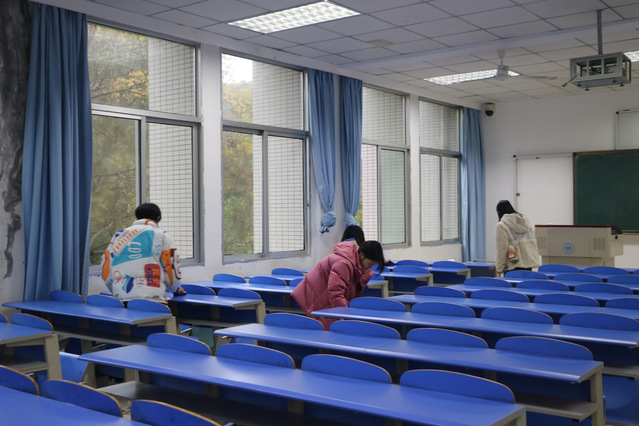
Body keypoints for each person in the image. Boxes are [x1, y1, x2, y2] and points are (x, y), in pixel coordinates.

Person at [291, 240, 385, 330]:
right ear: (361, 254)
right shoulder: (343, 263)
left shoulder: (352, 260)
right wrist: (346, 315)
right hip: (314, 296)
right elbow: (335, 292)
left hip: (320, 294)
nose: (370, 267)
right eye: (370, 264)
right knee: (329, 330)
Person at [101, 203, 185, 302]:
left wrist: (115, 290)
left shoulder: (119, 236)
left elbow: (106, 268)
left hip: (121, 298)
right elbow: (170, 266)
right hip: (153, 297)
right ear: (158, 218)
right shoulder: (162, 235)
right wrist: (175, 289)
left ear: (137, 217)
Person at [495, 200, 540, 276]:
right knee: (526, 283)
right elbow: (533, 242)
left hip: (512, 264)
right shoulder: (526, 222)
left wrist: (499, 267)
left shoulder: (501, 225)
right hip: (529, 263)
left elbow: (501, 248)